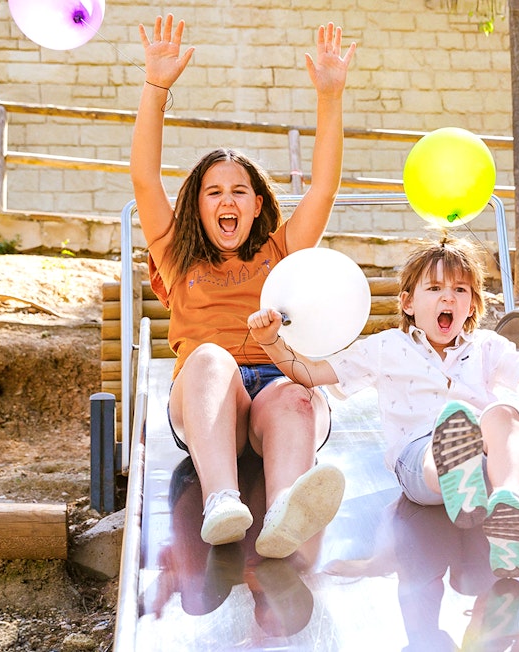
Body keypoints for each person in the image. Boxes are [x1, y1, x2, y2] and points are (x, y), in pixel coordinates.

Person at [129, 13, 356, 557]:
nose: (227, 201)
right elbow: (143, 177)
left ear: (257, 206)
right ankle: (222, 500)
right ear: (196, 205)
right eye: (213, 192)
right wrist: (156, 85)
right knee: (208, 358)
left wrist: (330, 96)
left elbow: (323, 186)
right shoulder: (178, 253)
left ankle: (283, 513)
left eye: (239, 191)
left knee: (296, 394)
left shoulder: (281, 250)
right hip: (213, 407)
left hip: (275, 392)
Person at [246, 236, 519, 578]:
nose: (449, 297)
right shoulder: (385, 347)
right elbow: (311, 373)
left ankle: (509, 505)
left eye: (461, 290)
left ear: (473, 304)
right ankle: (456, 474)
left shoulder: (486, 346)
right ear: (408, 302)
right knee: (441, 446)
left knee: (505, 416)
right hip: (419, 459)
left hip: (484, 461)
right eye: (435, 288)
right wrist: (271, 341)